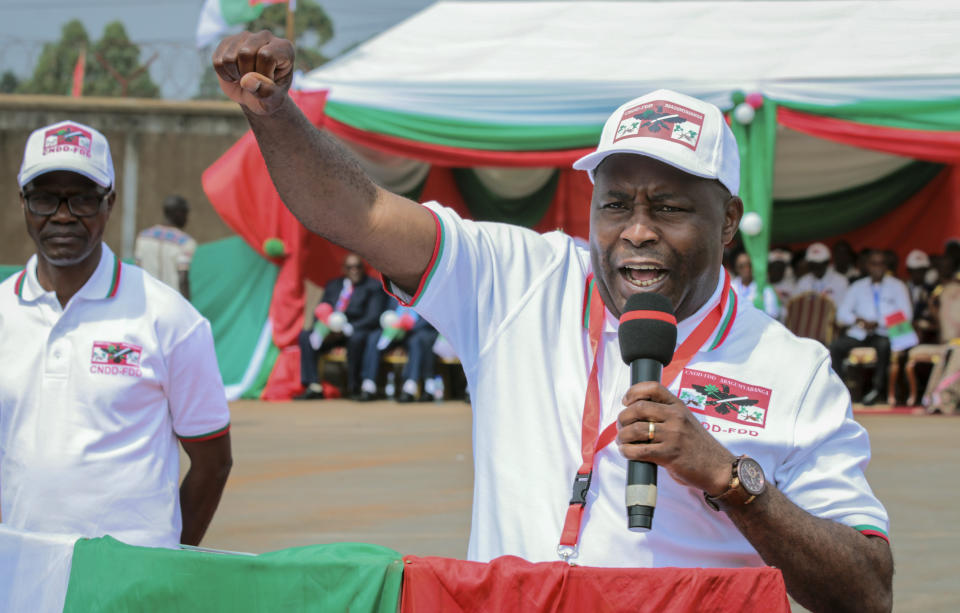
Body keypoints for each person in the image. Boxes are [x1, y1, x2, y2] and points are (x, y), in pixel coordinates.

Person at [213, 33, 892, 613]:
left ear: (728, 223)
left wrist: (730, 480)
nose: (637, 232)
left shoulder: (792, 371)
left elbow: (867, 588)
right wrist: (277, 118)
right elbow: (357, 212)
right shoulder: (521, 279)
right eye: (616, 203)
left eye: (670, 207)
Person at [0, 120, 232, 548]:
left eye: (83, 199)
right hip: (22, 573)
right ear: (23, 203)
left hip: (130, 584)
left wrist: (161, 564)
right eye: (45, 198)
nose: (64, 216)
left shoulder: (170, 319)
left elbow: (212, 463)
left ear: (110, 203)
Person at [295, 253, 386, 400]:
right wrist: (326, 326)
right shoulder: (333, 285)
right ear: (344, 269)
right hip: (330, 331)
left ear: (363, 268)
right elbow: (320, 309)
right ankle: (313, 386)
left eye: (358, 267)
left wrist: (347, 328)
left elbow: (374, 316)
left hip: (355, 330)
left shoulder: (373, 286)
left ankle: (354, 386)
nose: (354, 270)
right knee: (306, 335)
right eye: (350, 267)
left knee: (357, 339)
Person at [831, 250, 914, 406]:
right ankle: (839, 390)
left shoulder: (897, 286)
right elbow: (841, 314)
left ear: (886, 266)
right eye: (873, 264)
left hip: (884, 332)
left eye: (881, 264)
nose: (877, 268)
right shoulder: (857, 286)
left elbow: (906, 315)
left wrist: (879, 322)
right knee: (835, 347)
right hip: (859, 332)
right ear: (867, 266)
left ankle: (877, 389)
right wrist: (857, 319)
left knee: (884, 347)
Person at [134, 194, 197, 300]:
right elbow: (182, 278)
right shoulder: (185, 242)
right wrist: (187, 308)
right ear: (179, 213)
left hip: (146, 300)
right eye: (186, 214)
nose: (187, 219)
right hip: (171, 303)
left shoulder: (143, 237)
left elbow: (137, 271)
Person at [730, 251, 779, 319]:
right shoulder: (730, 288)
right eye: (741, 266)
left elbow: (773, 313)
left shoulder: (765, 288)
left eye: (749, 265)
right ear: (736, 268)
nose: (746, 269)